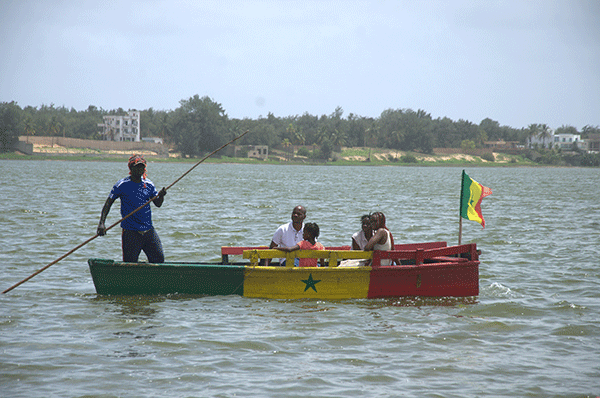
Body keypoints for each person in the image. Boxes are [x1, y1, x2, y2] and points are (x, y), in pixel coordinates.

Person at [97, 154, 167, 263]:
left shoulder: (149, 184)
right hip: (131, 232)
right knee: (130, 263)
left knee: (159, 259)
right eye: (137, 167)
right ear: (131, 168)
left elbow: (158, 204)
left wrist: (161, 196)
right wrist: (102, 223)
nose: (140, 169)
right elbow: (108, 204)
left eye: (142, 167)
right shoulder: (121, 185)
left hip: (148, 230)